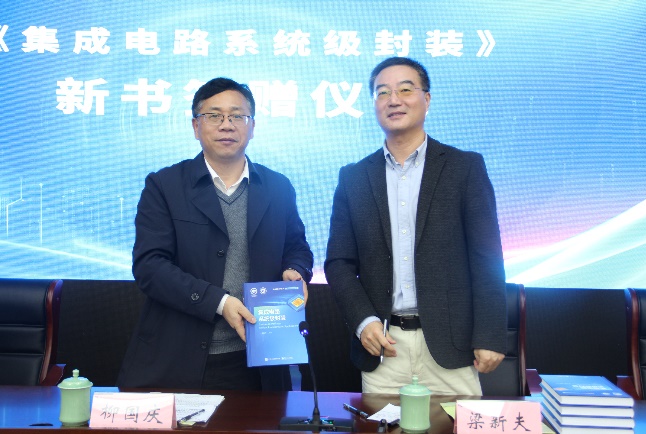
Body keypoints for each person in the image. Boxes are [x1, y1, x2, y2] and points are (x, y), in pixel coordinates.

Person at [324, 57, 507, 395]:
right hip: (384, 347)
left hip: (452, 348)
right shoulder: (354, 178)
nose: (393, 100)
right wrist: (364, 322)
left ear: (427, 99)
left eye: (405, 89)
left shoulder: (463, 168)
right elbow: (339, 263)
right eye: (382, 92)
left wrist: (490, 334)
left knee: (455, 423)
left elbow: (487, 257)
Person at [117, 77, 313, 391]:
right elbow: (150, 267)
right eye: (214, 115)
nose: (226, 125)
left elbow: (297, 248)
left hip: (260, 359)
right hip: (180, 357)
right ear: (196, 126)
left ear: (252, 126)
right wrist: (219, 302)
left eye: (237, 116)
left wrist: (295, 269)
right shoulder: (164, 186)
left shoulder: (278, 186)